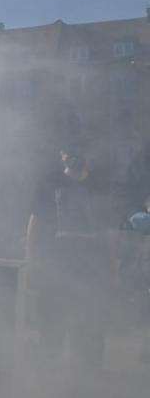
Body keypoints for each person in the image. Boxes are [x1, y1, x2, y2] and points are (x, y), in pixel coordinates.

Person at [26, 143, 115, 366]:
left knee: (90, 330)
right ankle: (48, 378)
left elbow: (109, 230)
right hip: (56, 267)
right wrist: (30, 261)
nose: (73, 157)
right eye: (68, 153)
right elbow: (34, 224)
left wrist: (113, 266)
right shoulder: (49, 184)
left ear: (88, 158)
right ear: (62, 156)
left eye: (79, 153)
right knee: (51, 327)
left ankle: (88, 382)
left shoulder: (100, 186)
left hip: (92, 271)